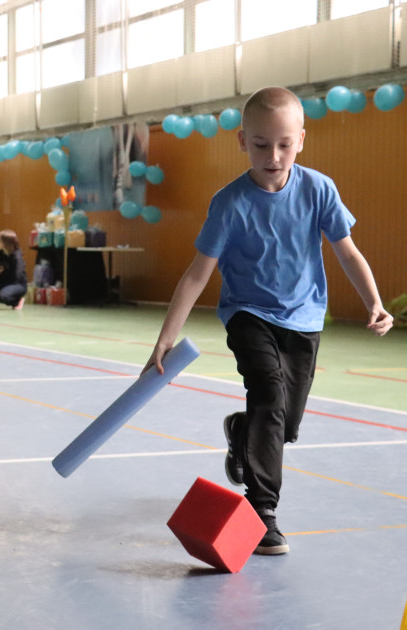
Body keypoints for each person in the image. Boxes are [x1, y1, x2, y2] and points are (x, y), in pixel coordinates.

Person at [144, 86, 393, 557]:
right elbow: (197, 274)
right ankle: (262, 513)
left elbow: (347, 252)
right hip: (248, 314)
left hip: (305, 318)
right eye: (260, 144)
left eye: (284, 144)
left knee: (285, 424)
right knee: (269, 395)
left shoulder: (319, 190)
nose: (273, 156)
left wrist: (374, 302)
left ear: (301, 140)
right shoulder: (229, 203)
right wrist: (164, 341)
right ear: (242, 141)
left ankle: (244, 432)